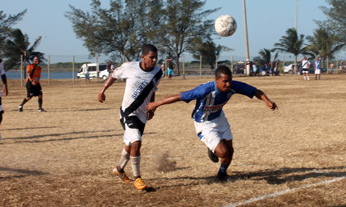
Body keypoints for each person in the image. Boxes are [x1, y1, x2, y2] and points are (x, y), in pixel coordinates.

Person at [146, 65, 277, 181]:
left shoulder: (233, 86)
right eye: (225, 82)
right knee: (223, 152)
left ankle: (222, 174)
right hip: (204, 123)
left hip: (219, 118)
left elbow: (254, 91)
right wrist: (156, 104)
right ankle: (212, 148)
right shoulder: (204, 90)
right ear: (216, 80)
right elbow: (179, 97)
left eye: (229, 81)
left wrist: (267, 101)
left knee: (230, 152)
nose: (228, 84)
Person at [98, 44, 162, 191]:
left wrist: (152, 105)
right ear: (143, 57)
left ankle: (119, 169)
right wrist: (102, 90)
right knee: (136, 141)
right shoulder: (129, 67)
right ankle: (137, 177)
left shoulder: (158, 72)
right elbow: (113, 76)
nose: (154, 60)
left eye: (156, 58)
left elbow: (152, 89)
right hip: (128, 113)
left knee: (130, 145)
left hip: (142, 114)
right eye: (151, 57)